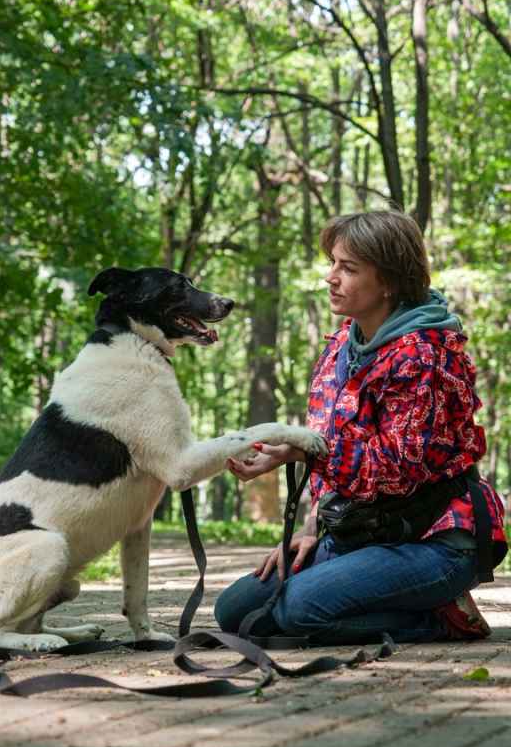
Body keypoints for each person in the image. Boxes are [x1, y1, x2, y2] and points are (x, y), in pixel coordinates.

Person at [215, 210, 508, 645]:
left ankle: (441, 618)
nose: (331, 277)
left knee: (298, 610)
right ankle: (374, 593)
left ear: (388, 281)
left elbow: (397, 467)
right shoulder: (341, 346)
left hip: (435, 541)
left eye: (348, 268)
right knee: (236, 611)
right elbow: (329, 446)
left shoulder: (422, 356)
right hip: (363, 532)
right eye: (332, 262)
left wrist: (305, 451)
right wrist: (312, 528)